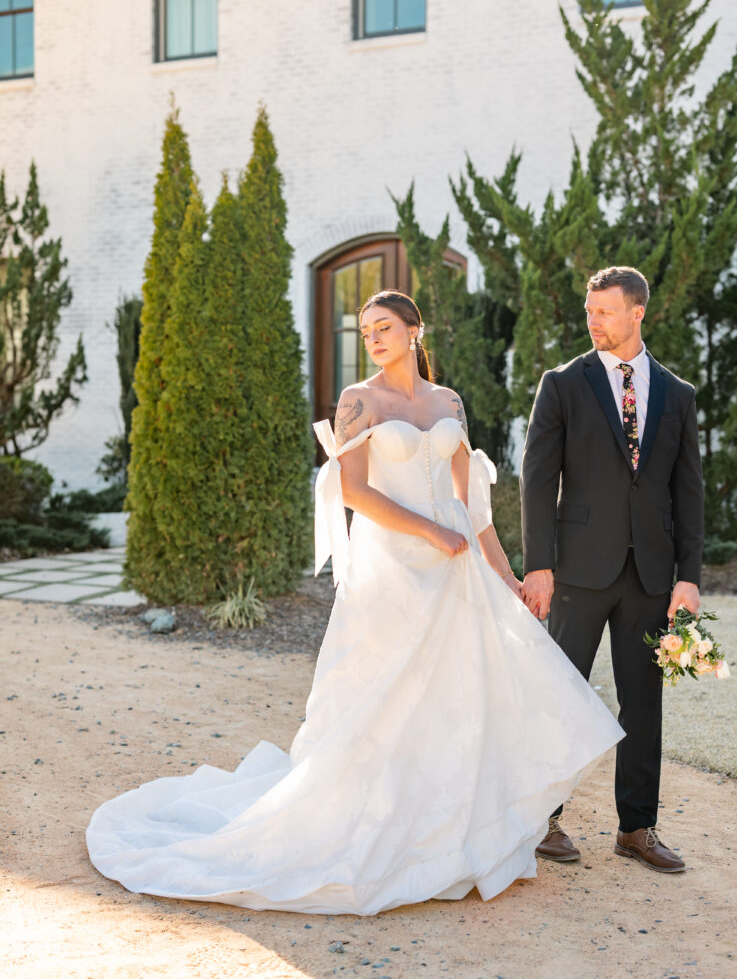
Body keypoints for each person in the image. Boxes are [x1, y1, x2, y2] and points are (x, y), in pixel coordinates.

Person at [86, 290, 623, 915]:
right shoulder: (357, 401)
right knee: (385, 697)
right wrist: (429, 531)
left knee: (458, 700)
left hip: (456, 570)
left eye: (384, 326)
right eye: (366, 330)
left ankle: (449, 839)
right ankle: (377, 833)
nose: (373, 338)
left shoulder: (449, 403)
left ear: (415, 330)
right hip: (393, 566)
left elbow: (471, 505)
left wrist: (507, 579)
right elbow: (353, 491)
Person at [520, 266, 704, 874]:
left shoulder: (677, 394)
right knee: (561, 696)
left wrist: (688, 575)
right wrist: (539, 564)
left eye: (604, 311)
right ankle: (542, 819)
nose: (592, 321)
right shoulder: (562, 384)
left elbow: (689, 492)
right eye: (589, 310)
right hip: (577, 570)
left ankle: (637, 828)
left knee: (643, 704)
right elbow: (537, 479)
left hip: (650, 573)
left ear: (636, 313)